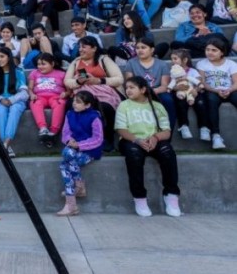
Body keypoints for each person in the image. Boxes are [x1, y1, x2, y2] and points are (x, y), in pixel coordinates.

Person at [116, 76, 181, 218]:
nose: (128, 90)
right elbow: (121, 129)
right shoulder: (124, 105)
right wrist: (137, 140)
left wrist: (155, 138)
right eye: (127, 88)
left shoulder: (157, 106)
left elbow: (166, 131)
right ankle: (139, 198)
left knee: (167, 151)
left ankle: (171, 195)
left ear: (143, 89)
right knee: (134, 154)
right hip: (132, 140)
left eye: (132, 87)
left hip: (154, 140)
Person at [64, 36, 124, 152]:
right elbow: (67, 81)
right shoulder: (76, 62)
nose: (80, 50)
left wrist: (98, 80)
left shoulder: (104, 59)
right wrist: (78, 81)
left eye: (84, 47)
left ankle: (108, 139)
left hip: (105, 92)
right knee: (70, 105)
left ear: (94, 48)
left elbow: (119, 79)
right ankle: (74, 138)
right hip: (82, 92)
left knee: (105, 107)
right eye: (79, 47)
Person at [56, 91, 103, 217]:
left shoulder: (94, 117)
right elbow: (65, 133)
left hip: (89, 151)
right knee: (67, 152)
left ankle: (71, 204)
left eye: (78, 102)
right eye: (74, 101)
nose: (74, 104)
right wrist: (68, 141)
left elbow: (98, 139)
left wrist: (80, 145)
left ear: (87, 105)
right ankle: (78, 189)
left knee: (64, 165)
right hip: (73, 149)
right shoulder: (70, 114)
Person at [124, 37, 178, 130]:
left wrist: (151, 91)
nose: (140, 50)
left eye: (143, 47)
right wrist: (142, 92)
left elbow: (164, 86)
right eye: (137, 48)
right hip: (138, 92)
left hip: (158, 91)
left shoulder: (162, 64)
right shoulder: (131, 63)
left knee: (168, 100)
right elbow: (130, 84)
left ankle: (167, 132)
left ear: (152, 50)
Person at [195, 36, 236, 150]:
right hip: (212, 91)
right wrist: (216, 90)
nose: (210, 52)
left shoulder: (231, 64)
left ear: (222, 52)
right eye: (207, 49)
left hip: (229, 89)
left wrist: (229, 90)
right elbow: (202, 83)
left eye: (214, 50)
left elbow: (236, 82)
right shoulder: (202, 64)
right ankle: (216, 136)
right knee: (211, 101)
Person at [0, 47, 29, 157]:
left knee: (15, 109)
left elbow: (24, 93)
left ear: (9, 57)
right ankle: (6, 146)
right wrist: (0, 99)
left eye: (2, 56)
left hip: (17, 101)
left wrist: (12, 100)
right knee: (1, 111)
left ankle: (5, 143)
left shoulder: (18, 72)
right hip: (1, 101)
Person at [28, 53, 67, 148]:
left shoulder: (61, 74)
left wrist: (66, 94)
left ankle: (53, 131)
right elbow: (30, 88)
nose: (40, 67)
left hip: (56, 97)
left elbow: (68, 89)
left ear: (52, 64)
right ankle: (43, 128)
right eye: (38, 64)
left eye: (43, 64)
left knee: (60, 104)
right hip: (39, 96)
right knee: (35, 103)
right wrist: (32, 94)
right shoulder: (34, 73)